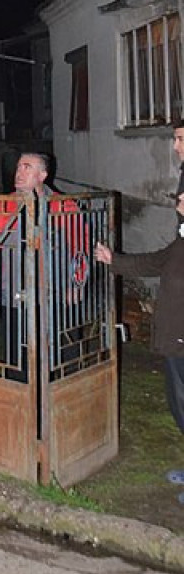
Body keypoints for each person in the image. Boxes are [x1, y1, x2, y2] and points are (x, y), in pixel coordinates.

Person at [95, 120, 184, 492]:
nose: (177, 202)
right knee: (178, 401)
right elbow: (160, 261)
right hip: (175, 332)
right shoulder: (181, 241)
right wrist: (112, 260)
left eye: (181, 139)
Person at [0, 152, 87, 379]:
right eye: (18, 167)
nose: (19, 173)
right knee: (16, 357)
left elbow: (80, 249)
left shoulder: (63, 206)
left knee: (56, 354)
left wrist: (76, 283)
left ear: (43, 175)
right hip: (13, 295)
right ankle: (19, 403)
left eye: (27, 167)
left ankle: (55, 402)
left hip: (54, 296)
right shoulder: (4, 206)